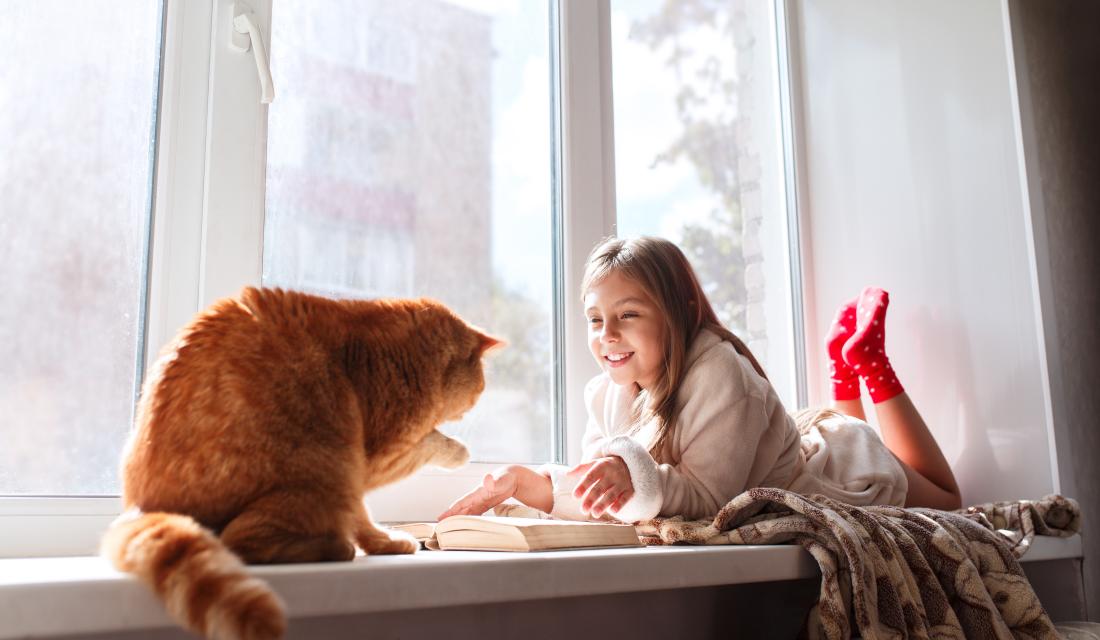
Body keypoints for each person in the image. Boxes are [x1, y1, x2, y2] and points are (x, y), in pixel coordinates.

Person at [439, 236, 962, 524]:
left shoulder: (718, 369)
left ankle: (867, 366)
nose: (608, 336)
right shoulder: (604, 394)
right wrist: (538, 486)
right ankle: (844, 368)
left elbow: (712, 499)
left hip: (837, 464)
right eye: (595, 320)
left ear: (681, 313)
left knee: (948, 500)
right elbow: (604, 494)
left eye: (629, 315)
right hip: (789, 440)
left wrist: (632, 476)